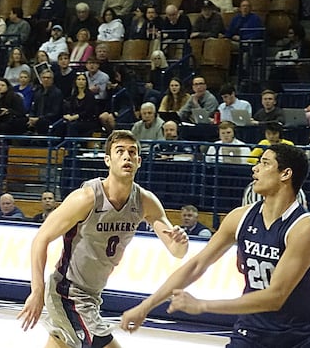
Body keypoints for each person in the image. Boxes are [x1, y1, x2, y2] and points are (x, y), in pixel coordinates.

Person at [123, 144, 310, 347]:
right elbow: (196, 265)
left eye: (265, 163)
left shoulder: (305, 228)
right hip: (253, 328)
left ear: (285, 174)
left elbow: (276, 296)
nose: (255, 168)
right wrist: (145, 306)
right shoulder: (240, 217)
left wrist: (202, 305)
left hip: (302, 333)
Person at [18, 130, 189, 347]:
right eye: (120, 151)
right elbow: (40, 239)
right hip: (68, 293)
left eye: (132, 152)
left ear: (139, 161)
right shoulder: (87, 198)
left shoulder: (145, 201)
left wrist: (181, 242)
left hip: (92, 295)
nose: (126, 156)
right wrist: (37, 291)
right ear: (107, 160)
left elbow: (177, 251)